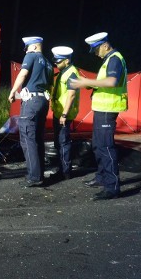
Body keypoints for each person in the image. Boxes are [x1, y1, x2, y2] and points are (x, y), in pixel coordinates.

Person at [71, 32, 128, 200]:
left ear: (105, 45)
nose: (95, 53)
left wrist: (86, 82)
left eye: (96, 50)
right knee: (98, 145)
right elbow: (105, 83)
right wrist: (91, 85)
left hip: (108, 108)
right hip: (101, 107)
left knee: (106, 147)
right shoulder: (108, 59)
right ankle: (102, 177)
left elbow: (112, 82)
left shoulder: (115, 58)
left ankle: (112, 187)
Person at [8, 36, 54, 187]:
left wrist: (12, 91)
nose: (26, 51)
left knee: (28, 138)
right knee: (38, 138)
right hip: (43, 101)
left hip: (31, 103)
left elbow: (23, 74)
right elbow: (45, 86)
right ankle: (39, 173)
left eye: (27, 47)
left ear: (33, 47)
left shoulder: (31, 56)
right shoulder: (48, 63)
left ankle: (34, 177)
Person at [49, 46, 80, 181]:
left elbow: (71, 95)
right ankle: (62, 169)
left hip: (64, 115)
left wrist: (64, 114)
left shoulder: (72, 73)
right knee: (59, 143)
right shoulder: (64, 71)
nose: (56, 63)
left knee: (63, 142)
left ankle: (65, 172)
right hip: (59, 112)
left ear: (67, 60)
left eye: (59, 61)